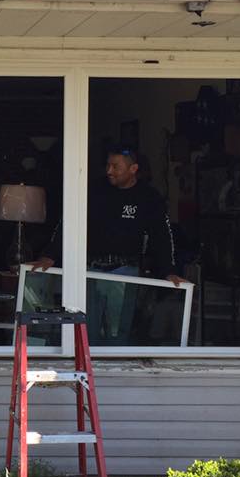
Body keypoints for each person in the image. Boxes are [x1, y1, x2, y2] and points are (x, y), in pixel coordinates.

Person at [30, 145, 184, 343]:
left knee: (117, 332)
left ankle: (116, 372)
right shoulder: (94, 190)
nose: (109, 171)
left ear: (133, 169)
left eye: (115, 166)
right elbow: (70, 221)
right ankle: (86, 368)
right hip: (89, 269)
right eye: (107, 165)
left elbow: (162, 236)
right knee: (85, 330)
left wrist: (168, 270)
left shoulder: (148, 197)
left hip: (124, 271)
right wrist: (50, 255)